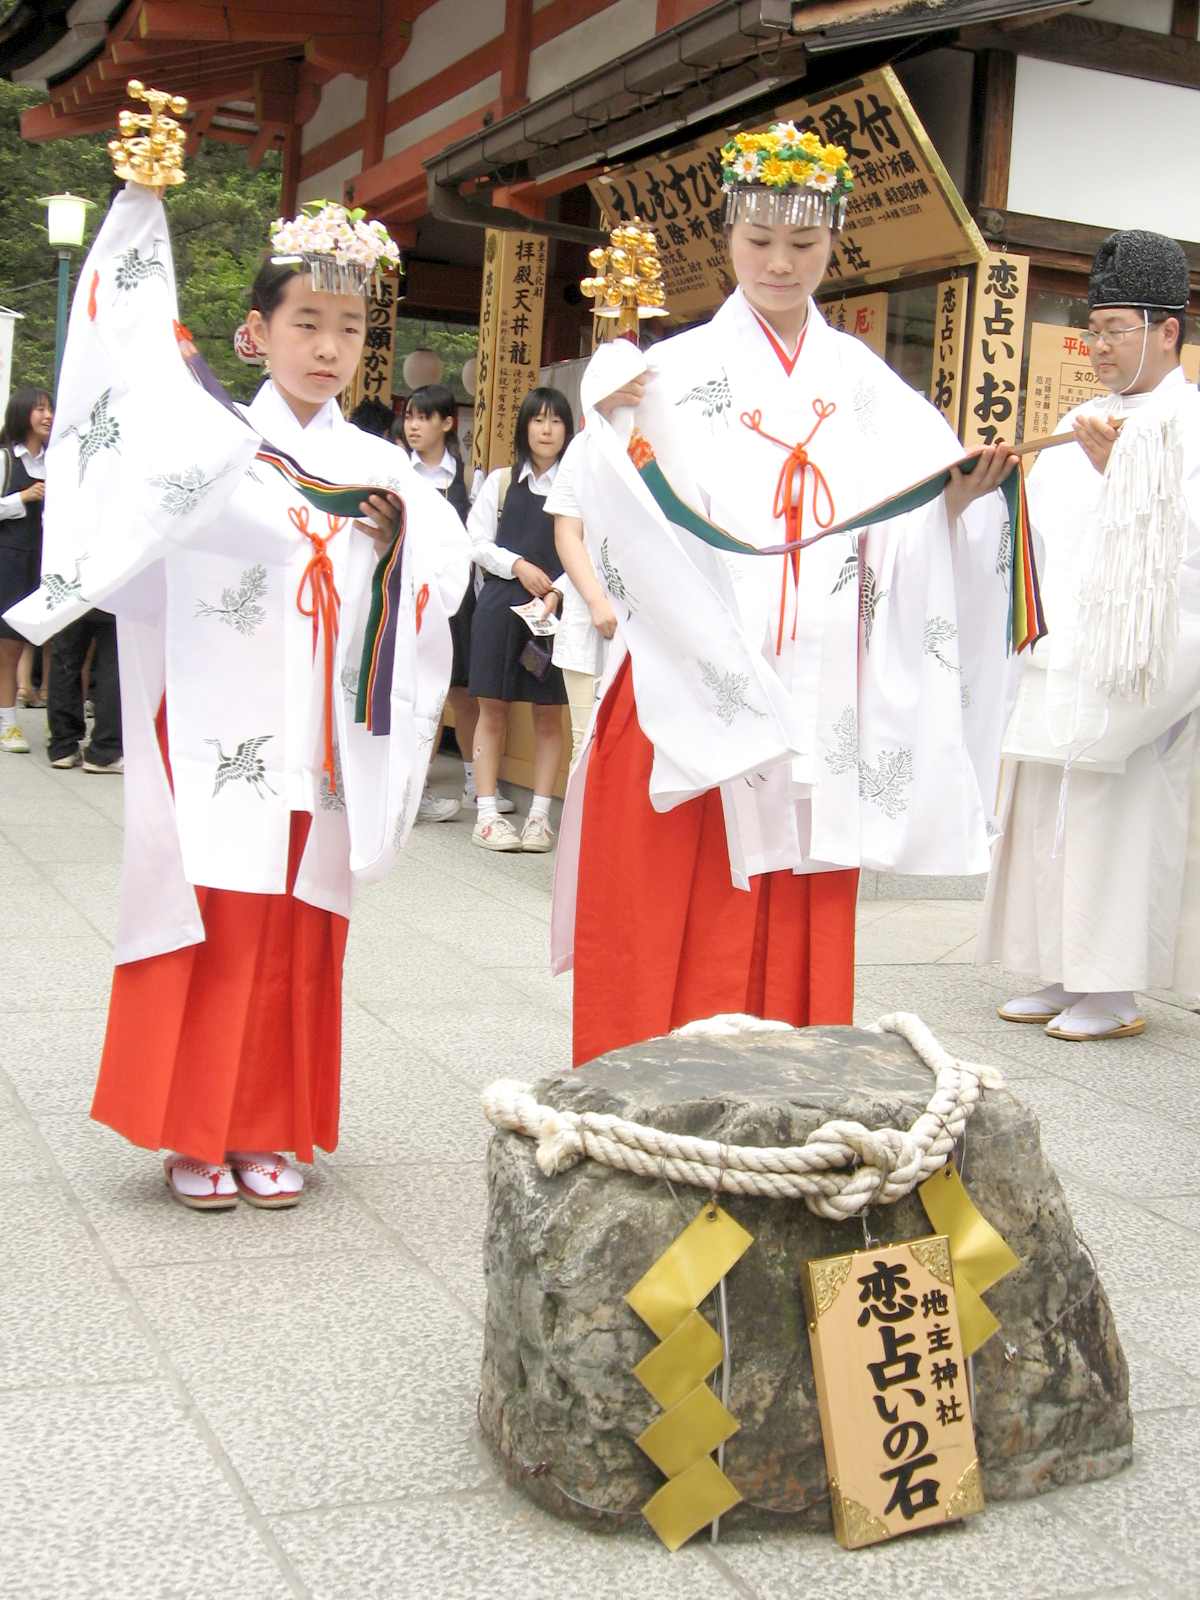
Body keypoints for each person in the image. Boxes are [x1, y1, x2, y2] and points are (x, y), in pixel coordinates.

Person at [5, 173, 469, 1209]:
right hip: (223, 718)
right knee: (216, 914)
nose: (328, 345)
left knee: (299, 926)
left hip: (322, 729)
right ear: (256, 333)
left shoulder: (379, 466)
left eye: (348, 327)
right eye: (306, 321)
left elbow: (444, 576)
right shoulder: (215, 447)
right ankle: (192, 1127)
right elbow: (129, 505)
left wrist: (399, 551)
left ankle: (270, 1121)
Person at [552, 121, 1018, 1067]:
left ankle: (786, 1119)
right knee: (663, 909)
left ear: (833, 242)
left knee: (796, 912)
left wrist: (959, 506)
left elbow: (923, 508)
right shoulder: (669, 372)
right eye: (759, 241)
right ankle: (644, 1115)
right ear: (726, 239)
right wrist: (607, 423)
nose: (780, 262)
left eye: (804, 243)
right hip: (695, 681)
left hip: (821, 694)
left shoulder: (869, 386)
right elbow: (604, 504)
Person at [979, 229, 1200, 1038]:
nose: (1098, 346)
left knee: (1117, 811)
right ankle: (1057, 964)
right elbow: (1036, 541)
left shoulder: (1191, 425)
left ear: (1167, 330)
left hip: (1134, 662)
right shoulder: (1080, 422)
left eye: (1116, 330)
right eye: (1093, 329)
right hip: (1060, 646)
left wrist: (1126, 476)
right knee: (1046, 807)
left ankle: (1112, 986)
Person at [467, 386, 574, 852]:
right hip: (500, 607)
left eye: (555, 421)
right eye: (537, 420)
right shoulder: (502, 482)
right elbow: (477, 541)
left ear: (568, 430)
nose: (546, 430)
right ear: (524, 427)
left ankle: (539, 818)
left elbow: (588, 552)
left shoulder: (579, 489)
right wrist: (518, 566)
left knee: (551, 715)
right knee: (493, 708)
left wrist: (557, 590)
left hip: (553, 613)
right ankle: (487, 814)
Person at [403, 382, 514, 819]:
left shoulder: (471, 478)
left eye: (424, 417)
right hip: (410, 595)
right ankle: (415, 784)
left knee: (464, 691)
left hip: (459, 595)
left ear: (448, 423)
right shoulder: (398, 473)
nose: (414, 426)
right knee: (415, 690)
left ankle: (474, 778)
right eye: (410, 417)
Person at [545, 432, 617, 767]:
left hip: (651, 621)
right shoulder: (587, 445)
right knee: (586, 742)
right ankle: (583, 822)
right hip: (589, 618)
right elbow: (567, 532)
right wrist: (595, 601)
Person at [0, 386, 53, 753]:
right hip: (9, 557)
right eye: (39, 409)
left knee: (36, 642)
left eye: (50, 409)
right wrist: (22, 498)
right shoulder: (6, 460)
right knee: (8, 646)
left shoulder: (57, 461)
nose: (47, 416)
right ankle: (8, 724)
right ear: (23, 414)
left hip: (43, 559)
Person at [46, 607, 123, 772]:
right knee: (113, 660)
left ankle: (63, 746)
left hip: (72, 590)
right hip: (112, 593)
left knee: (65, 660)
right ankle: (105, 750)